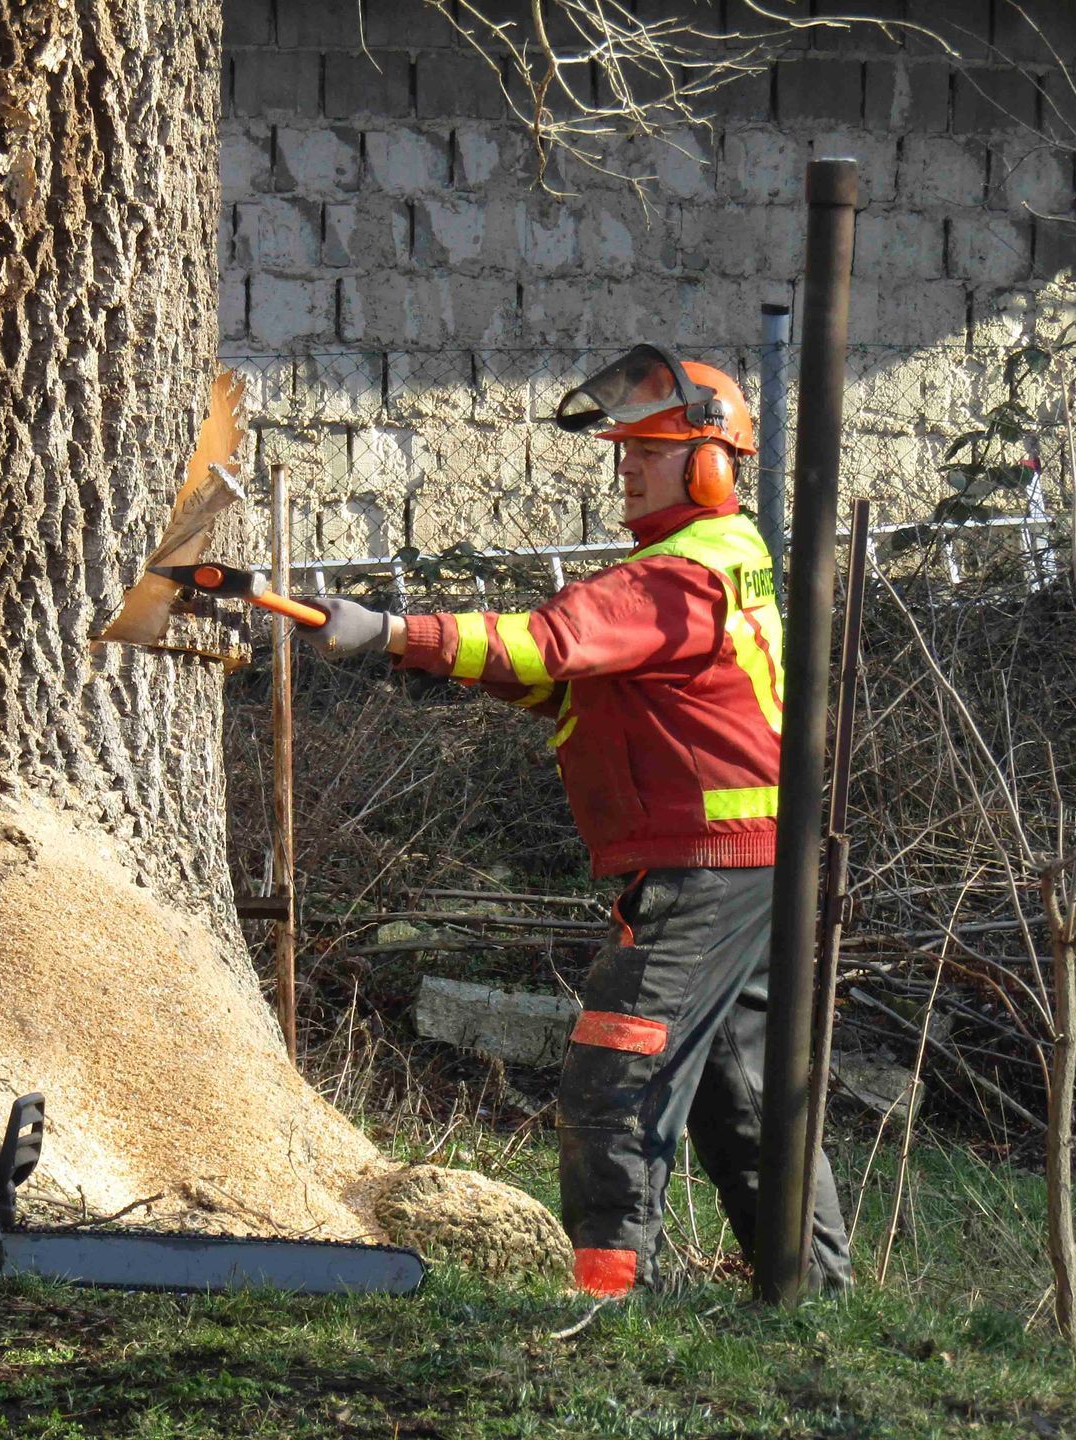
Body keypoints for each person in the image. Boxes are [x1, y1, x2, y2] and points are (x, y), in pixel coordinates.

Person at [296, 345, 852, 1297]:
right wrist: (435, 659)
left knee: (615, 1072)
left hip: (707, 863)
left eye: (648, 450)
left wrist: (392, 631)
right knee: (741, 1091)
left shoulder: (676, 574)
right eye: (623, 452)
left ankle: (610, 1297)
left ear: (710, 464)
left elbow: (550, 641)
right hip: (754, 862)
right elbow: (569, 679)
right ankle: (811, 1296)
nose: (625, 468)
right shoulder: (724, 561)